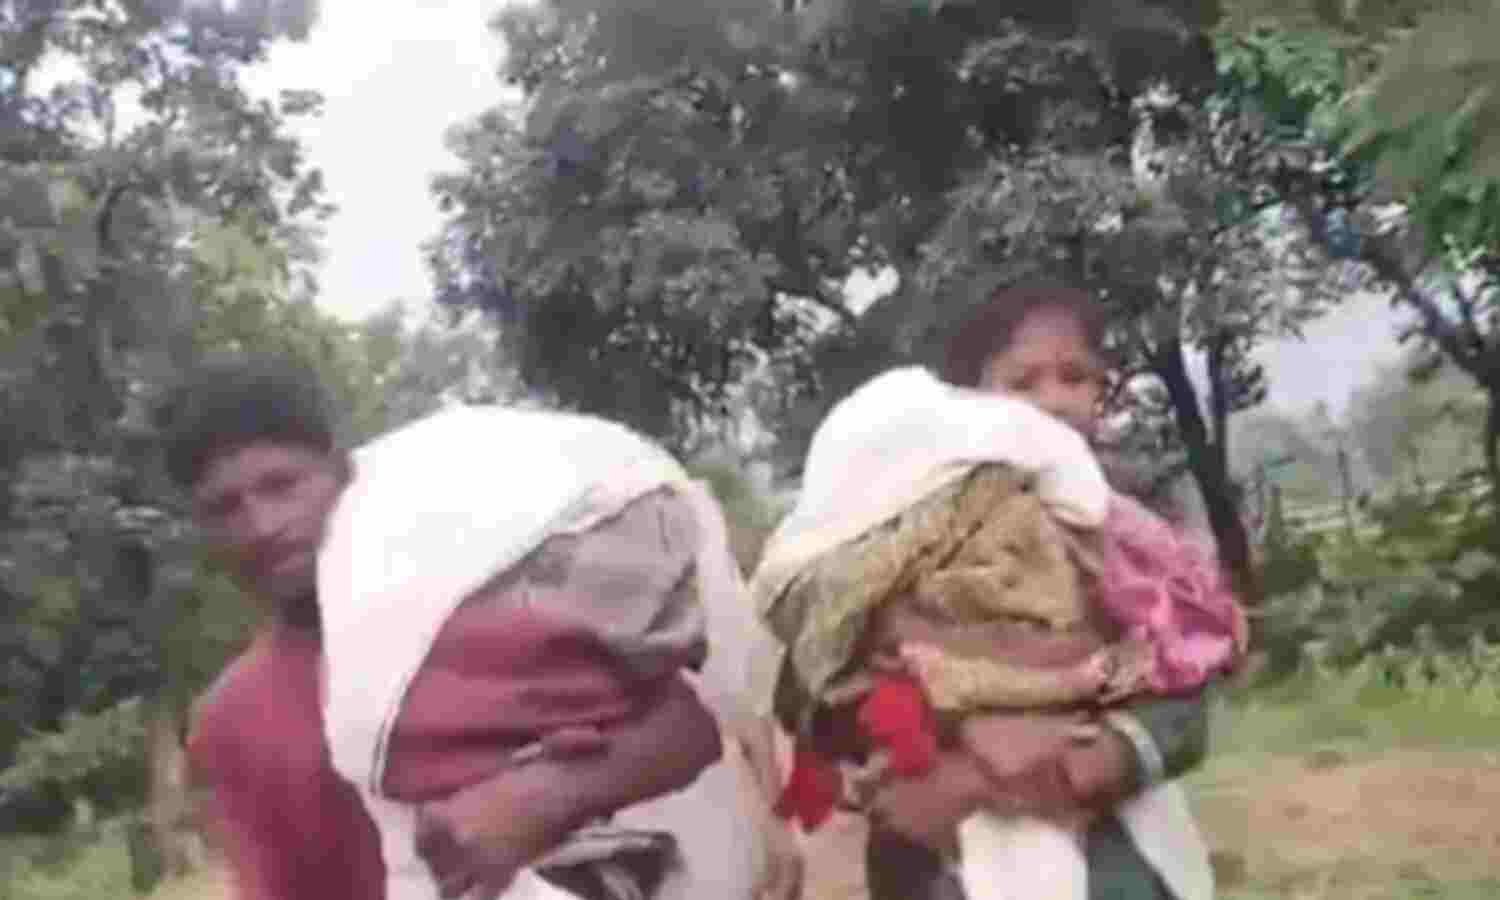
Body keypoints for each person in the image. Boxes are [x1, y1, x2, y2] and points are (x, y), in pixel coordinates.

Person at [162, 356, 791, 900]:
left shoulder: (478, 606)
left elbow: (690, 725)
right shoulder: (232, 722)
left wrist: (550, 795)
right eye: (224, 508)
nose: (261, 525)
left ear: (340, 472)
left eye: (281, 485)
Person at [769, 281, 1227, 900]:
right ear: (969, 399)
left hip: (1111, 847)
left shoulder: (1129, 527)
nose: (1053, 401)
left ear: (1103, 389)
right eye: (1022, 382)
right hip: (936, 852)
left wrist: (1085, 764)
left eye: (1075, 377)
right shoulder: (899, 520)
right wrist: (921, 759)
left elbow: (1184, 684)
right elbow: (818, 681)